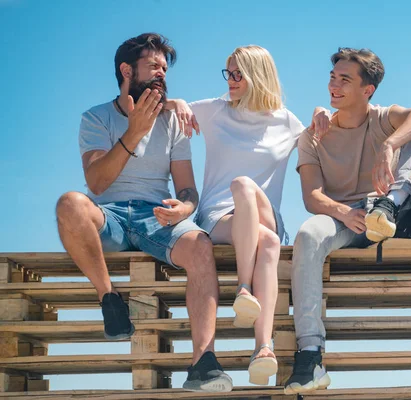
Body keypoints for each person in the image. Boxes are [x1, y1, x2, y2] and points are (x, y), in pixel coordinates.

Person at [55, 33, 232, 393]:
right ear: (126, 70)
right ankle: (109, 299)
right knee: (70, 202)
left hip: (158, 217)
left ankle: (204, 362)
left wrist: (185, 206)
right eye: (153, 65)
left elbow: (187, 189)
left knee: (200, 244)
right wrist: (133, 134)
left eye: (165, 68)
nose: (161, 73)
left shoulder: (172, 121)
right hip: (110, 218)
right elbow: (98, 183)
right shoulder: (96, 118)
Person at [284, 47, 411, 395]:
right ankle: (310, 355)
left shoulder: (383, 117)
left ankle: (389, 203)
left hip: (389, 211)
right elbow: (312, 197)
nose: (334, 86)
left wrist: (390, 144)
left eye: (345, 80)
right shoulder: (312, 135)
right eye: (332, 78)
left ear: (367, 90)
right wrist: (344, 213)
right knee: (308, 233)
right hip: (346, 218)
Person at [168, 45, 306, 385]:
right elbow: (163, 111)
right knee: (270, 243)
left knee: (245, 187)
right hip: (218, 218)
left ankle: (245, 289)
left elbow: (325, 144)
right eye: (227, 73)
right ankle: (263, 347)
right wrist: (177, 103)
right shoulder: (215, 111)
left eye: (237, 74)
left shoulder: (287, 121)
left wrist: (321, 113)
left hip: (265, 211)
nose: (229, 80)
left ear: (257, 76)